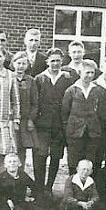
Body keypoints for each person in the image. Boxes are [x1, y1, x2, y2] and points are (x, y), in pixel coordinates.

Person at [32, 48, 75, 191]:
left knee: (55, 156)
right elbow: (35, 101)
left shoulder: (67, 78)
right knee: (40, 156)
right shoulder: (39, 78)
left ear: (62, 62)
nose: (55, 64)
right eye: (52, 61)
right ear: (47, 62)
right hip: (42, 125)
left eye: (58, 61)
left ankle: (49, 187)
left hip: (59, 125)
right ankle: (39, 188)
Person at [61, 60, 105, 173]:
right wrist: (69, 130)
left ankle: (89, 187)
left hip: (93, 132)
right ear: (80, 72)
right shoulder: (71, 90)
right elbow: (64, 113)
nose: (90, 76)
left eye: (92, 73)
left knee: (91, 160)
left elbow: (101, 112)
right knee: (74, 161)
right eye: (87, 73)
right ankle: (74, 185)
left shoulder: (98, 90)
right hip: (75, 132)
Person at [11, 51, 40, 171]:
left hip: (24, 120)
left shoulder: (30, 80)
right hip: (11, 119)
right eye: (18, 63)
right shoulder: (8, 77)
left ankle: (20, 177)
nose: (21, 66)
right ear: (13, 64)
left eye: (23, 63)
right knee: (11, 149)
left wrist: (30, 119)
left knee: (22, 150)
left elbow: (35, 103)